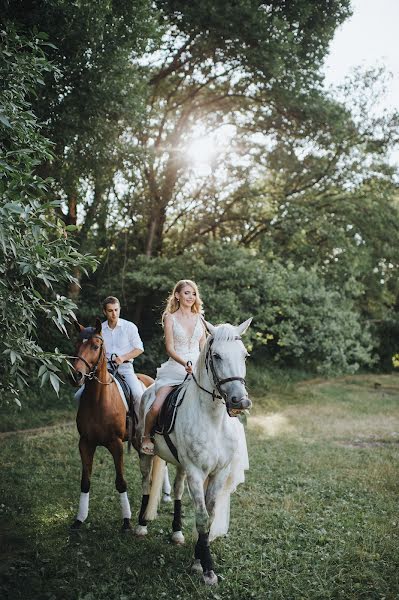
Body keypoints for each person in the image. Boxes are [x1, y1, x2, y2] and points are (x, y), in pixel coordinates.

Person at [141, 279, 206, 455]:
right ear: (177, 295)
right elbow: (169, 348)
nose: (191, 297)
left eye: (193, 293)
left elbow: (204, 346)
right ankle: (146, 437)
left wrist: (202, 364)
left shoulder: (200, 318)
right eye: (186, 293)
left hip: (197, 368)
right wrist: (184, 363)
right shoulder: (170, 317)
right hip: (176, 367)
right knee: (155, 407)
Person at [101, 296, 144, 406]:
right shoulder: (99, 329)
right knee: (79, 396)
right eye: (110, 311)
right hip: (105, 369)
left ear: (120, 309)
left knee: (138, 395)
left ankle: (140, 423)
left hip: (125, 369)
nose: (114, 314)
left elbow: (139, 348)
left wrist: (123, 357)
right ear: (104, 312)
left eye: (116, 310)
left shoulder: (129, 327)